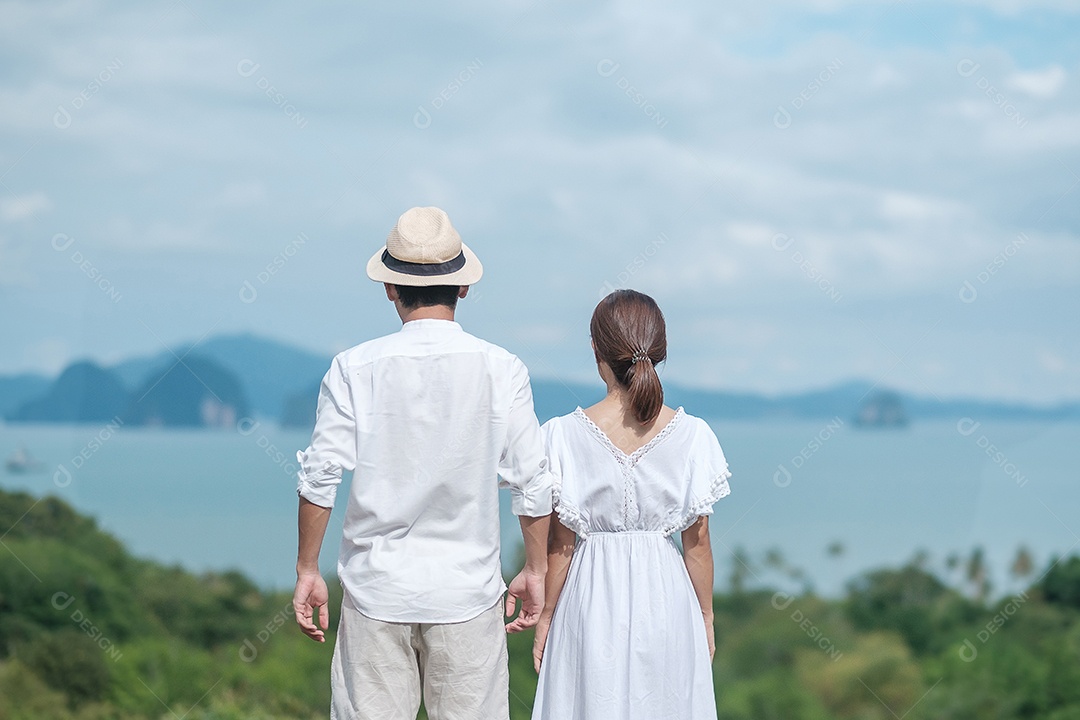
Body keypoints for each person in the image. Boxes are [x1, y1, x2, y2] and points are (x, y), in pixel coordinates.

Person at [292, 206, 553, 720]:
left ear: (389, 287)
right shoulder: (503, 369)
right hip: (467, 595)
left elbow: (320, 476)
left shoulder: (353, 368)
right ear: (463, 288)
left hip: (375, 592)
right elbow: (532, 481)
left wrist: (307, 568)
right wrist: (538, 570)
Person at [531, 289, 730, 719]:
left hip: (588, 598)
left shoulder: (561, 435)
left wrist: (547, 615)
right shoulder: (694, 435)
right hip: (667, 598)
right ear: (659, 349)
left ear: (595, 348)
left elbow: (561, 544)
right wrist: (706, 616)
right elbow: (697, 543)